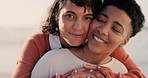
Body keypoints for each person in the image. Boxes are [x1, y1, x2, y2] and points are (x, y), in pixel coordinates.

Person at [11, 0, 145, 78]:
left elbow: (139, 75)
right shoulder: (39, 44)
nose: (78, 27)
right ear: (57, 15)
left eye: (87, 18)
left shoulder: (102, 45)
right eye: (70, 16)